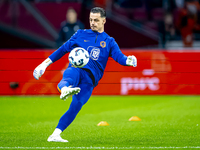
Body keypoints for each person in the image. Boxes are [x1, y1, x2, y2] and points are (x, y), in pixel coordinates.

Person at [33, 7, 137, 142]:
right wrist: (44, 64)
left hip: (90, 81)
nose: (92, 23)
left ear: (104, 21)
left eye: (96, 20)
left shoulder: (109, 41)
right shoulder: (80, 34)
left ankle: (55, 135)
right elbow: (62, 49)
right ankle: (65, 89)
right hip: (77, 69)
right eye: (91, 20)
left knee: (77, 105)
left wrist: (129, 60)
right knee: (69, 77)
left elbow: (119, 57)